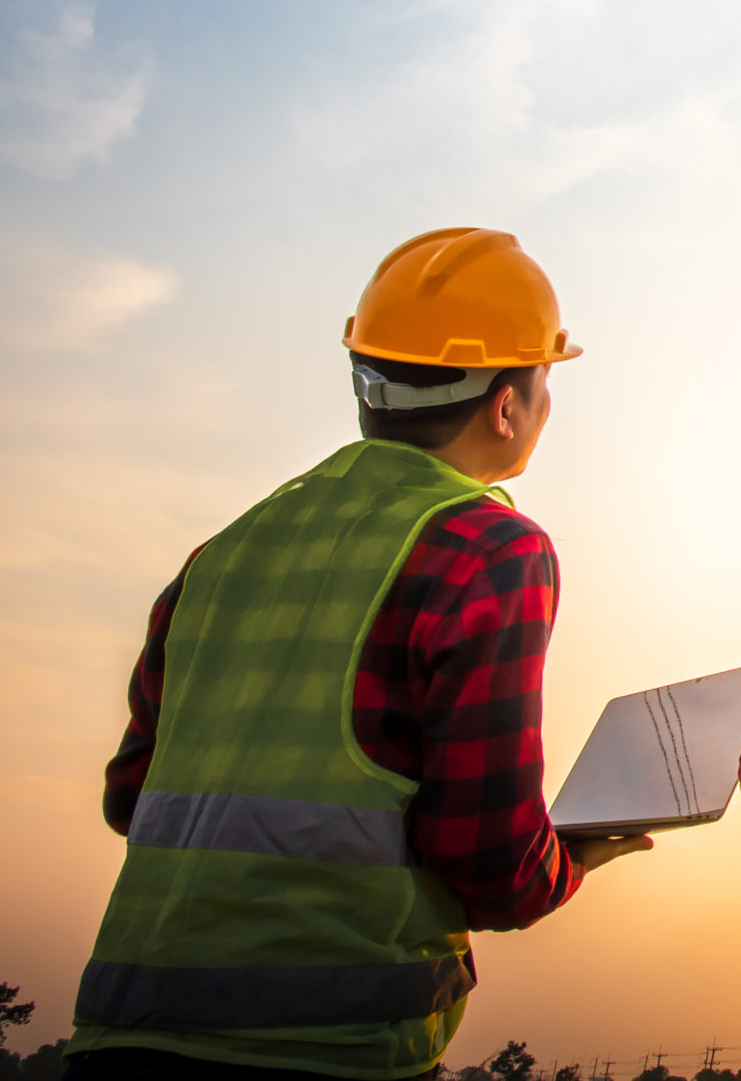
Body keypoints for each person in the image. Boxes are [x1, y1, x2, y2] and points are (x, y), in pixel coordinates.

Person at [66, 228, 649, 1081]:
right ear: (506, 405)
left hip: (119, 1034)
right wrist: (569, 857)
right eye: (544, 377)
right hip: (322, 1046)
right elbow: (486, 856)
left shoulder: (222, 552)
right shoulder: (488, 550)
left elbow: (134, 798)